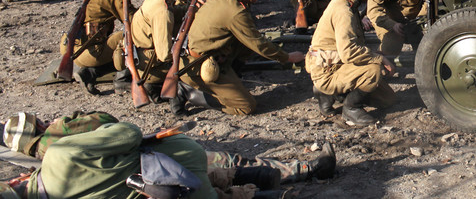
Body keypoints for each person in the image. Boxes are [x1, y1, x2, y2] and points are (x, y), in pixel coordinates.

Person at [1, 111, 337, 198]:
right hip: (164, 161)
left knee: (225, 189)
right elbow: (120, 129)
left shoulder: (38, 164)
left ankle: (281, 193)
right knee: (228, 165)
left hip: (163, 190)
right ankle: (303, 168)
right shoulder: (59, 151)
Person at [180, 0, 305, 116]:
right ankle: (188, 93)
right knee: (246, 106)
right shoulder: (235, 12)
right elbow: (259, 44)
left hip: (206, 54)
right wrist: (287, 57)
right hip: (200, 67)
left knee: (245, 43)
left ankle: (233, 72)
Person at [306, 0, 396, 126]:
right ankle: (351, 108)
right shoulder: (343, 11)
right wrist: (379, 59)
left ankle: (329, 94)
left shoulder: (346, 3)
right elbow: (348, 52)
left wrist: (375, 55)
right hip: (328, 71)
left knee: (388, 99)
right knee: (373, 71)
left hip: (333, 64)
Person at [59, 0, 141, 96]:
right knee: (131, 36)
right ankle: (121, 80)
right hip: (87, 52)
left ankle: (89, 73)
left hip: (74, 47)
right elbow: (133, 21)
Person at [129, 0, 189, 109]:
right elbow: (164, 54)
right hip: (149, 64)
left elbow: (174, 12)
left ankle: (154, 86)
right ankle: (174, 100)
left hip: (142, 56)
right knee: (193, 66)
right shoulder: (163, 11)